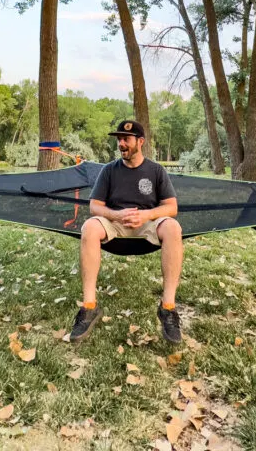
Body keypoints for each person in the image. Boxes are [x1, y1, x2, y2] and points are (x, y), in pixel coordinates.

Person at [69, 120, 183, 344]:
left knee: (173, 227)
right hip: (115, 223)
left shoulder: (156, 171)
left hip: (148, 223)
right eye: (119, 139)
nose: (121, 144)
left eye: (126, 140)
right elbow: (95, 206)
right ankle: (89, 306)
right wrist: (116, 215)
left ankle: (168, 307)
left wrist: (146, 215)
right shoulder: (109, 170)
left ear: (140, 142)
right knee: (90, 226)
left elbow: (172, 207)